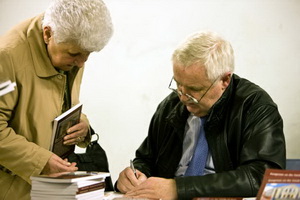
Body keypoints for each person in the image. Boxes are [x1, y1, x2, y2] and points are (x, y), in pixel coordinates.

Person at [116, 31, 286, 200]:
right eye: (178, 85)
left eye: (194, 90)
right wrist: (135, 174)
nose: (182, 98)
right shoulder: (171, 106)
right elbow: (147, 159)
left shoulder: (255, 106)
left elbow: (262, 176)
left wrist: (180, 189)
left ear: (225, 80)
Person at [0, 0, 113, 199]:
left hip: (49, 187)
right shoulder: (6, 58)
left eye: (88, 55)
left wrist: (82, 124)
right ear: (47, 34)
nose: (81, 62)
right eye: (74, 54)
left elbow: (55, 102)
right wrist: (40, 161)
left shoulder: (72, 45)